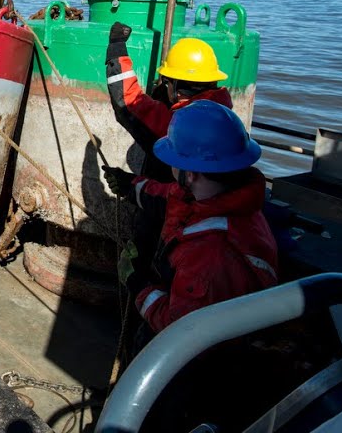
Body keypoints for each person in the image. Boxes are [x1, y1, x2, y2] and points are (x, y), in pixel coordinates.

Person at [101, 99, 280, 433]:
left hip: (200, 369)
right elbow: (169, 195)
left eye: (175, 162)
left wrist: (138, 285)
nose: (173, 170)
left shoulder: (211, 251)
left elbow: (180, 330)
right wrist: (131, 185)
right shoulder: (229, 198)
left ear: (192, 172)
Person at [105, 21, 232, 182]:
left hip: (172, 200)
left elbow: (127, 101)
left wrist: (117, 49)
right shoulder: (225, 115)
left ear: (177, 85)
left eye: (168, 82)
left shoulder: (176, 126)